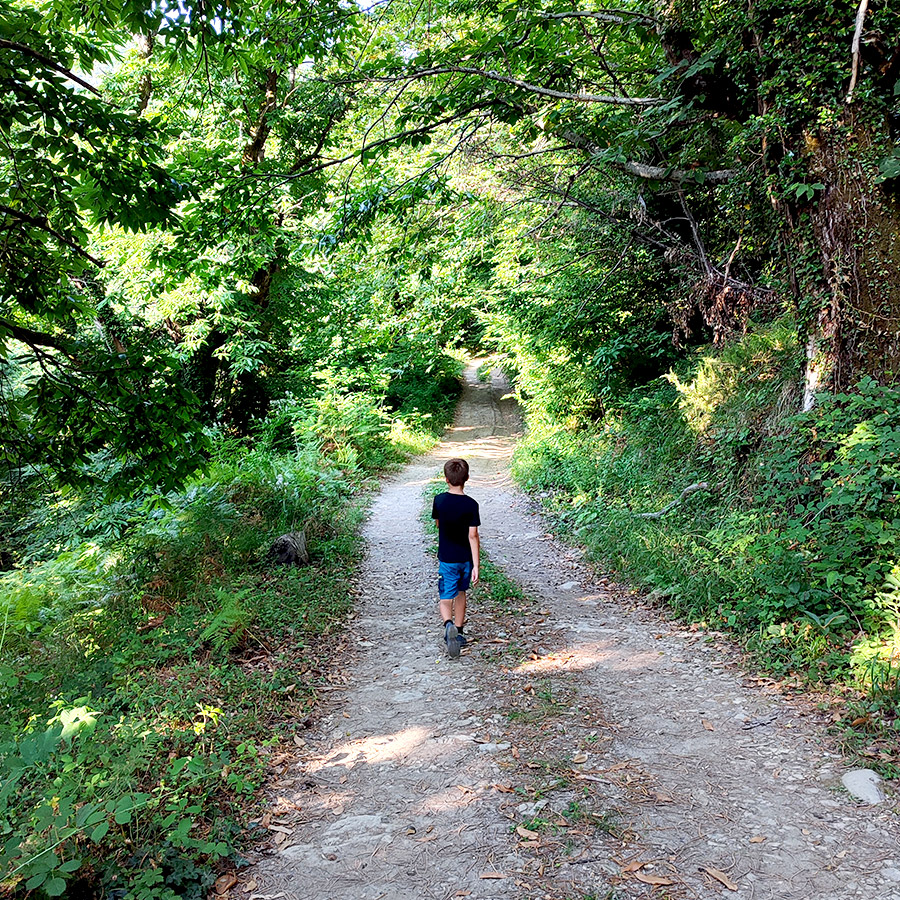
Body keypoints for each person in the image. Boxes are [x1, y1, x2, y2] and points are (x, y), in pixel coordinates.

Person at [431, 457, 480, 658]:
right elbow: (473, 535)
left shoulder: (439, 501)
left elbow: (438, 524)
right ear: (467, 478)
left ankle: (448, 624)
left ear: (446, 479)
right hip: (465, 560)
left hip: (447, 559)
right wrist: (476, 565)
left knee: (445, 597)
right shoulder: (471, 504)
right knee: (461, 593)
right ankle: (459, 632)